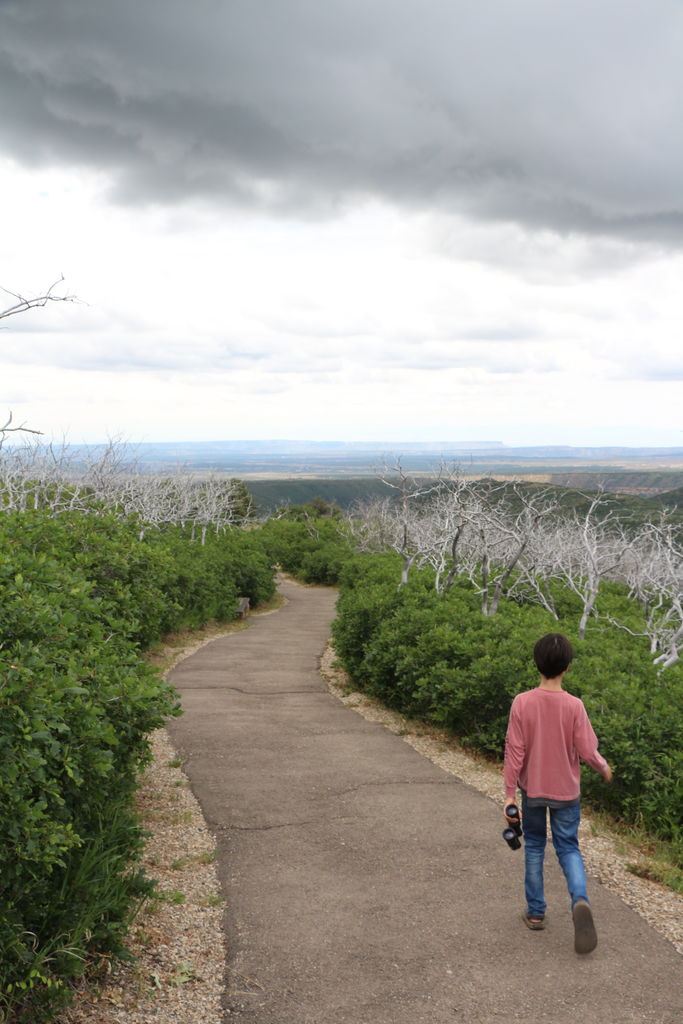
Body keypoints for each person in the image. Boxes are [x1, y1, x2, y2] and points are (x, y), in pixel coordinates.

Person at [503, 633, 612, 954]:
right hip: (567, 793)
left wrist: (509, 794)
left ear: (537, 664)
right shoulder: (574, 706)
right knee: (568, 847)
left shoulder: (522, 702)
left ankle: (536, 913)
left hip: (533, 791)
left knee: (535, 846)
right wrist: (603, 768)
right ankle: (579, 899)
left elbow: (515, 751)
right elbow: (588, 749)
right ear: (567, 667)